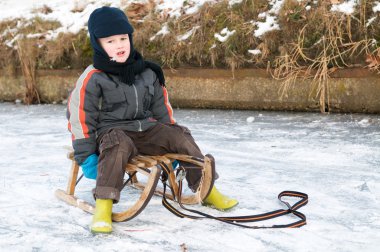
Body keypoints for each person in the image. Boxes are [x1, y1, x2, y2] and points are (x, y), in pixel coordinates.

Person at [66, 6, 238, 234]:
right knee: (117, 143)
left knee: (179, 134)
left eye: (122, 38)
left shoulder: (148, 72)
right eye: (110, 41)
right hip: (112, 133)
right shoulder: (93, 77)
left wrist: (172, 142)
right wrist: (86, 156)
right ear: (98, 44)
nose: (119, 45)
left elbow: (162, 110)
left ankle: (206, 189)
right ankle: (104, 205)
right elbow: (80, 117)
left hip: (146, 130)